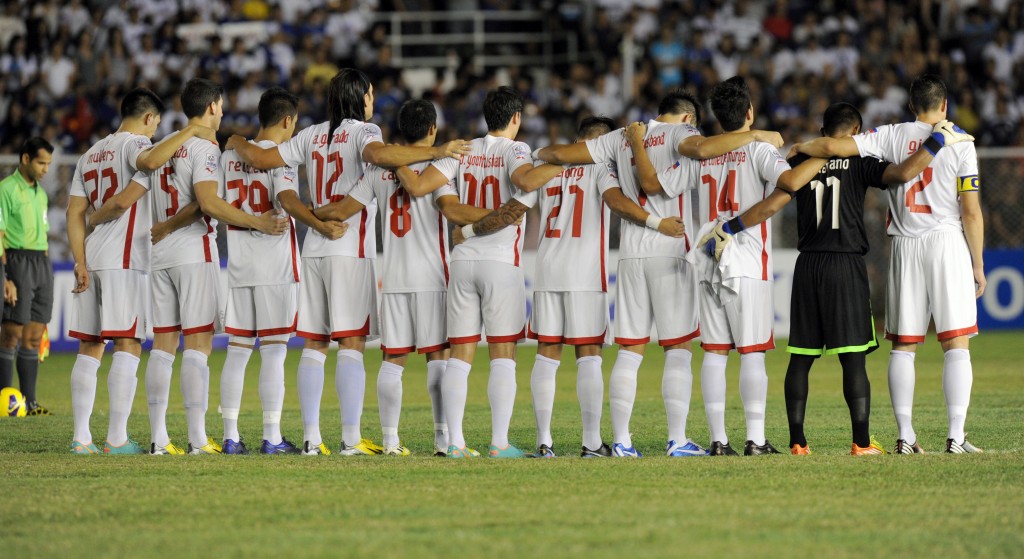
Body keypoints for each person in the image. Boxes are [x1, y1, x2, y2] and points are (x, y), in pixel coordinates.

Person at [699, 102, 972, 455]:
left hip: (808, 265)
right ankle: (861, 443)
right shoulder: (861, 160)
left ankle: (797, 442)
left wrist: (732, 227)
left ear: (823, 129)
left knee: (801, 358)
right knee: (853, 358)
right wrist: (936, 142)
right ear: (856, 133)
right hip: (845, 266)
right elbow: (904, 174)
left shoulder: (798, 163)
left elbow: (772, 204)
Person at [226, 68, 470, 456]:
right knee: (351, 342)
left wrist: (236, 138)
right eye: (370, 94)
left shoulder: (308, 134)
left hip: (315, 248)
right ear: (361, 98)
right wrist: (437, 151)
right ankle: (352, 439)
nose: (373, 101)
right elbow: (380, 156)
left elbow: (258, 157)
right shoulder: (364, 132)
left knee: (315, 343)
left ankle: (310, 439)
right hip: (347, 246)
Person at [535, 90, 781, 458]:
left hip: (631, 255)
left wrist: (534, 154)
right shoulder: (683, 137)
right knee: (678, 350)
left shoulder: (620, 136)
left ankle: (621, 441)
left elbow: (556, 154)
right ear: (687, 119)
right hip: (670, 250)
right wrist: (758, 135)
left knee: (630, 351)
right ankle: (677, 440)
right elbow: (698, 153)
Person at [791, 74, 986, 454]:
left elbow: (833, 145)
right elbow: (971, 211)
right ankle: (956, 437)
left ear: (912, 105)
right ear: (943, 105)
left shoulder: (890, 135)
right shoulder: (961, 141)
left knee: (903, 345)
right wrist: (977, 263)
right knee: (956, 342)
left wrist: (800, 144)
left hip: (904, 243)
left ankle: (905, 437)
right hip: (946, 241)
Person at [313, 99, 491, 456]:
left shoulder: (377, 171)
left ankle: (391, 441)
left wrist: (306, 213)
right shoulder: (440, 165)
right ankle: (444, 440)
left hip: (392, 281)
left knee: (392, 361)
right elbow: (447, 206)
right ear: (432, 130)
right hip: (433, 278)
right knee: (438, 357)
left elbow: (342, 210)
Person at [394, 86, 564, 458]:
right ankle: (499, 443)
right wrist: (562, 162)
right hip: (501, 262)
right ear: (516, 118)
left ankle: (454, 443)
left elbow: (437, 198)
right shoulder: (517, 150)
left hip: (462, 261)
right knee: (503, 354)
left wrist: (468, 229)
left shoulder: (462, 150)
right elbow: (521, 188)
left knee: (460, 355)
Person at [525, 116, 689, 458]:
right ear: (599, 143)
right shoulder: (601, 166)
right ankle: (590, 441)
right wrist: (656, 222)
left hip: (546, 270)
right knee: (589, 356)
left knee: (547, 355)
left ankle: (544, 441)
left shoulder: (546, 167)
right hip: (584, 274)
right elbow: (617, 203)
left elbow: (520, 197)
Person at [66, 87, 218, 454]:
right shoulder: (135, 145)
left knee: (89, 347)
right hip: (125, 257)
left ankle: (80, 438)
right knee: (128, 343)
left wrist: (80, 260)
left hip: (93, 255)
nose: (155, 136)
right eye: (156, 127)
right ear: (149, 119)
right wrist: (190, 131)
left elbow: (74, 213)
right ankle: (117, 438)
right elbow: (142, 173)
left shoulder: (89, 154)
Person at [682, 76, 826, 456]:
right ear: (749, 113)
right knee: (751, 352)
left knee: (713, 351)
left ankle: (718, 441)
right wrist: (823, 153)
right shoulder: (758, 149)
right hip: (745, 258)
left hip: (708, 254)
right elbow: (791, 181)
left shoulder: (708, 152)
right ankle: (756, 439)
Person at [216, 87, 346, 455]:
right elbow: (286, 199)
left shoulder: (228, 157)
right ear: (288, 120)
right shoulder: (280, 159)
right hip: (275, 266)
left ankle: (230, 436)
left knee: (238, 351)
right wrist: (316, 223)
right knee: (274, 351)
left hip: (240, 265)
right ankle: (272, 436)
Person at [0, 137, 54, 415]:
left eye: (48, 164)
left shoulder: (41, 194)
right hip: (16, 260)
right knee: (10, 334)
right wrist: (5, 277)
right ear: (25, 159)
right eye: (41, 162)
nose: (46, 169)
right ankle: (4, 403)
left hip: (41, 262)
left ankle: (29, 403)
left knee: (33, 336)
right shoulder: (6, 189)